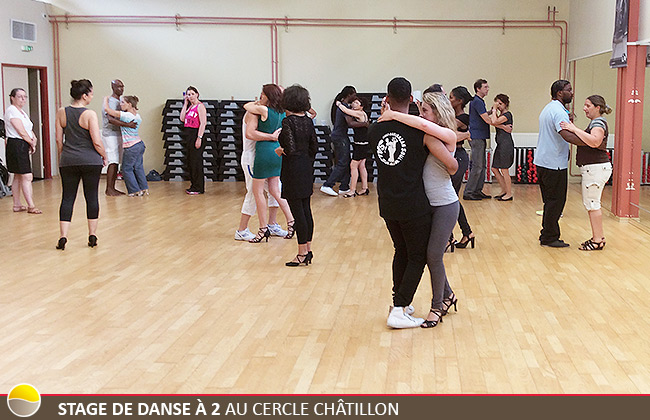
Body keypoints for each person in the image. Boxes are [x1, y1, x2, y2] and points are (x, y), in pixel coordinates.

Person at [369, 77, 454, 329]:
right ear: (411, 101)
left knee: (401, 251)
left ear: (386, 98)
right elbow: (450, 159)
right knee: (417, 256)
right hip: (414, 204)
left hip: (387, 202)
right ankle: (398, 308)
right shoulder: (421, 131)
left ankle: (401, 303)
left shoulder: (375, 129)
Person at [54, 79, 107, 250]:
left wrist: (63, 156)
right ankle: (92, 235)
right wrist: (104, 156)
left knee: (68, 197)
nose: (92, 96)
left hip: (68, 160)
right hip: (90, 160)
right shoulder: (90, 114)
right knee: (91, 197)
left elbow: (58, 139)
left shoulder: (62, 112)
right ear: (84, 96)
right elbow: (97, 141)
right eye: (91, 94)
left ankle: (63, 236)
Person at [534, 80, 587, 248]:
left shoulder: (549, 108)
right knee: (556, 201)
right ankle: (549, 237)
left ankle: (546, 234)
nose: (572, 92)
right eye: (569, 90)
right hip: (554, 164)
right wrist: (590, 142)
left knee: (550, 201)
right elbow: (566, 135)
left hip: (543, 161)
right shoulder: (558, 112)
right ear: (559, 93)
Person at [560, 95, 613, 251]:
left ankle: (597, 240)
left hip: (596, 169)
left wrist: (573, 128)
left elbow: (595, 141)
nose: (584, 108)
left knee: (592, 204)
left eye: (587, 105)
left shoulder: (598, 123)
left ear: (597, 107)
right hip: (594, 168)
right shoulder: (595, 122)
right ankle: (598, 237)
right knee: (591, 204)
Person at [243, 84, 294, 243]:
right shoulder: (282, 112)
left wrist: (257, 103)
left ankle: (263, 228)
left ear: (268, 96)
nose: (260, 97)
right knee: (275, 190)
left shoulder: (263, 111)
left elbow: (247, 106)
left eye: (262, 94)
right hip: (276, 152)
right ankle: (291, 221)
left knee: (258, 192)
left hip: (264, 152)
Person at [275, 84, 318, 266]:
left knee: (297, 213)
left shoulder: (288, 122)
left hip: (293, 170)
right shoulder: (308, 120)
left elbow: (290, 149)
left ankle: (301, 253)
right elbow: (314, 147)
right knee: (306, 209)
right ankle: (307, 249)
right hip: (306, 167)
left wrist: (280, 150)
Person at [235, 110, 288, 241]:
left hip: (264, 156)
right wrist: (272, 136)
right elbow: (250, 133)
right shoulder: (253, 112)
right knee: (253, 193)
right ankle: (242, 229)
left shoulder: (272, 113)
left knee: (275, 190)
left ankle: (272, 224)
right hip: (252, 157)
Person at [4, 88, 41, 214]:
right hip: (16, 144)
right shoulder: (11, 111)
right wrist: (30, 142)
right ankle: (31, 205)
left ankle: (17, 205)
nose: (23, 99)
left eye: (24, 97)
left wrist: (33, 140)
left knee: (19, 176)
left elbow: (29, 129)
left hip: (23, 144)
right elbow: (20, 130)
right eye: (20, 97)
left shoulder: (22, 112)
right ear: (12, 98)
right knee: (26, 175)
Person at [103, 95, 148, 196]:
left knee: (126, 169)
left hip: (131, 146)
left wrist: (106, 99)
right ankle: (143, 188)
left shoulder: (127, 116)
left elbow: (107, 110)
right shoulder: (137, 116)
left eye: (123, 102)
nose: (120, 104)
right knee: (138, 167)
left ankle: (134, 190)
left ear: (129, 104)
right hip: (139, 144)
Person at [448, 86, 475, 249]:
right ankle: (467, 233)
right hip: (453, 156)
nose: (449, 101)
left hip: (458, 156)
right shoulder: (453, 115)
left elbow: (447, 131)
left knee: (448, 198)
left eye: (451, 98)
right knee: (451, 199)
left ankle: (449, 237)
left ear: (459, 101)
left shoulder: (463, 117)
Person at [320, 86, 359, 197]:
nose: (355, 97)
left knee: (346, 161)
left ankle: (344, 186)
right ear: (349, 94)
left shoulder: (342, 106)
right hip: (340, 137)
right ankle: (327, 185)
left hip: (340, 136)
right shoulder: (344, 107)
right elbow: (350, 123)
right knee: (342, 162)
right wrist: (365, 124)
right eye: (354, 95)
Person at [101, 79, 136, 196]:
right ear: (113, 87)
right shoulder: (110, 102)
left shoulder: (120, 101)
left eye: (122, 86)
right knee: (113, 161)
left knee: (117, 162)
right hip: (110, 134)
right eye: (118, 87)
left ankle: (113, 187)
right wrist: (128, 125)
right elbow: (111, 119)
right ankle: (109, 188)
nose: (121, 89)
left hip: (118, 134)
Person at [335, 97, 370, 197]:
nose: (353, 104)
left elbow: (346, 111)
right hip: (363, 143)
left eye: (356, 103)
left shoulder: (359, 113)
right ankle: (364, 188)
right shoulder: (364, 114)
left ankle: (352, 190)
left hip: (360, 144)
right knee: (362, 166)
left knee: (353, 166)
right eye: (353, 102)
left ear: (361, 106)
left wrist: (339, 104)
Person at [464, 78, 492, 201]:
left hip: (480, 136)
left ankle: (477, 190)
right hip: (476, 137)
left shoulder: (478, 101)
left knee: (482, 166)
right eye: (485, 87)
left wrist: (490, 111)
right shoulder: (477, 102)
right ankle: (469, 191)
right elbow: (487, 119)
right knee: (477, 166)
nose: (487, 89)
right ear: (478, 89)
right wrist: (496, 115)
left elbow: (482, 116)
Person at [180, 86, 207, 195]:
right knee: (190, 162)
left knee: (196, 162)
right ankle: (193, 185)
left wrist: (199, 138)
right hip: (188, 135)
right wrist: (185, 104)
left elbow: (203, 123)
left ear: (197, 94)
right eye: (188, 94)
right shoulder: (190, 107)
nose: (190, 96)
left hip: (196, 134)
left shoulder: (200, 107)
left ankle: (199, 187)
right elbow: (182, 118)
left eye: (192, 94)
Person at [489, 93, 515, 201]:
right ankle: (504, 190)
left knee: (504, 170)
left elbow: (494, 121)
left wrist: (494, 110)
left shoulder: (507, 115)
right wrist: (503, 127)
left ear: (505, 104)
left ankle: (509, 193)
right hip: (500, 144)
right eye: (497, 103)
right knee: (494, 168)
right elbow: (491, 122)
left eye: (500, 104)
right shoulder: (500, 116)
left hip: (506, 145)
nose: (498, 106)